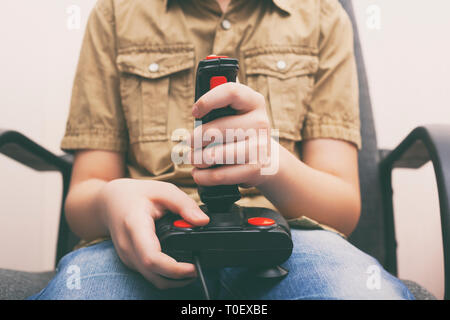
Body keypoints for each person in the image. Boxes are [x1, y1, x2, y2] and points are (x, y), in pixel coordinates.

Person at [28, 0, 414, 299]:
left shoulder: (321, 14)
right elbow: (83, 198)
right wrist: (111, 199)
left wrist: (271, 164)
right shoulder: (117, 11)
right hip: (144, 240)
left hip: (288, 238)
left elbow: (342, 209)